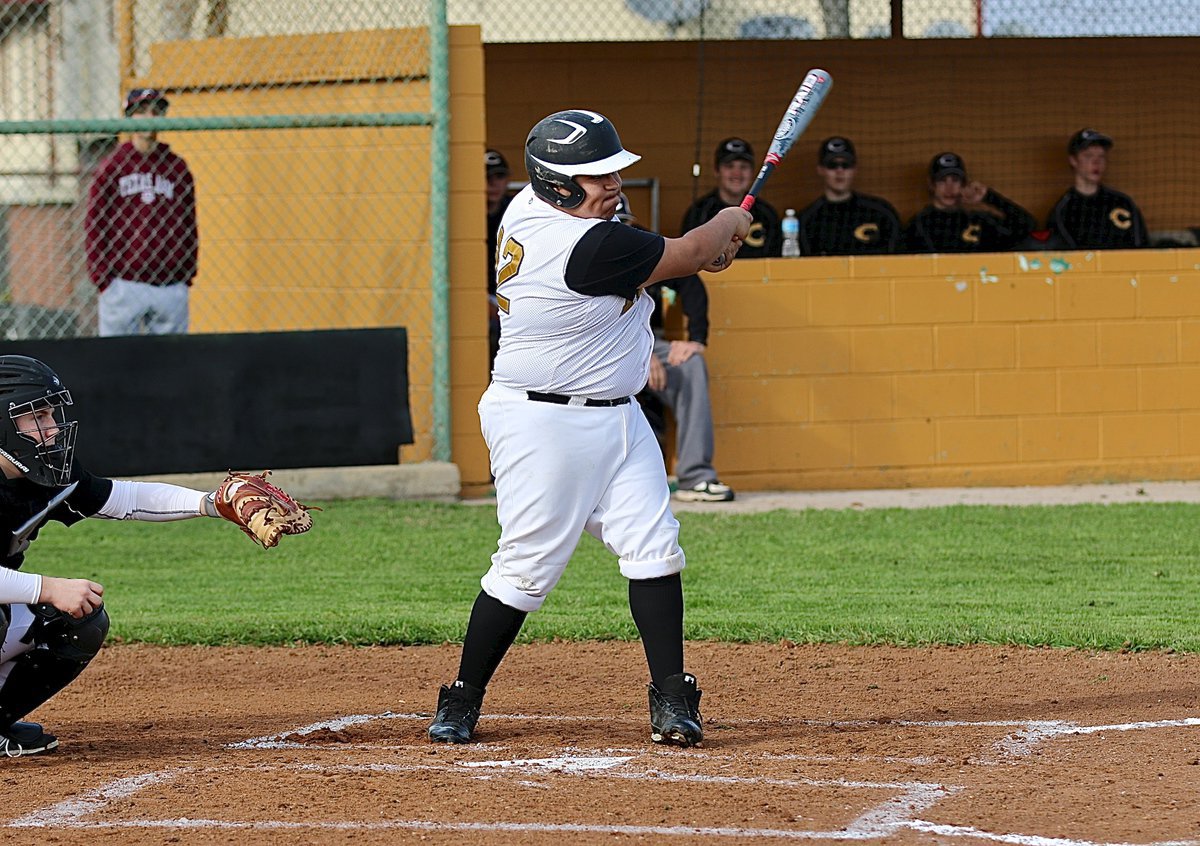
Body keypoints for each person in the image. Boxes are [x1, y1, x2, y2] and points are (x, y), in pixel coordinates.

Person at [427, 109, 751, 748]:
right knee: (526, 568)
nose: (612, 183)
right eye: (595, 176)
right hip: (543, 423)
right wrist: (727, 225)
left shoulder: (546, 211)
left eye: (612, 171)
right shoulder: (576, 243)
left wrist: (697, 255)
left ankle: (671, 699)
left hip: (618, 413)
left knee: (654, 545)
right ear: (556, 184)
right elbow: (684, 250)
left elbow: (662, 262)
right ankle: (462, 697)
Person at [0, 355, 294, 756]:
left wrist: (211, 503)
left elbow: (124, 498)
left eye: (51, 414)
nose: (51, 429)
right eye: (35, 417)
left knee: (76, 619)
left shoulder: (40, 474)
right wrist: (46, 587)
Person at [618, 195, 734, 503]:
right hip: (596, 351)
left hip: (647, 340)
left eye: (625, 227)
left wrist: (696, 338)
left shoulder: (643, 249)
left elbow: (691, 280)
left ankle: (695, 476)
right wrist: (643, 353)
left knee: (691, 363)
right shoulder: (582, 253)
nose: (619, 234)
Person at [84, 88, 198, 337]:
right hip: (124, 283)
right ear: (129, 118)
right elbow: (95, 223)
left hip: (169, 285)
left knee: (171, 364)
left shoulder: (177, 168)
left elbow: (189, 223)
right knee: (118, 364)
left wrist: (185, 276)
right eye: (141, 111)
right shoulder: (113, 167)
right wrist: (103, 280)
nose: (148, 117)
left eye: (155, 111)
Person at [900, 152, 1034, 253]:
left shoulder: (978, 220)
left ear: (964, 184)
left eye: (955, 180)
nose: (949, 188)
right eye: (942, 181)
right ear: (931, 185)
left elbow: (1028, 226)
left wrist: (989, 197)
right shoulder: (919, 223)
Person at [1046, 129, 1148, 250]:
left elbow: (1142, 246)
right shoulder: (1063, 211)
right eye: (1088, 156)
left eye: (1101, 156)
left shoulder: (1123, 202)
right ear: (1073, 160)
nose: (1096, 162)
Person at [797, 136, 901, 255]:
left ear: (855, 169)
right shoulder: (807, 219)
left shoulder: (881, 212)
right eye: (832, 165)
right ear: (820, 170)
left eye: (846, 165)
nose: (839, 171)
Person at [680, 137, 781, 257]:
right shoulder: (699, 213)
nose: (737, 173)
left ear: (752, 172)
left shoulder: (767, 214)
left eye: (743, 167)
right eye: (729, 166)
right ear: (717, 171)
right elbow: (689, 257)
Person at [486, 149, 515, 368]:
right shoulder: (465, 212)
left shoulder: (515, 211)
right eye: (486, 177)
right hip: (483, 297)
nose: (492, 184)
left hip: (513, 293)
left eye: (499, 176)